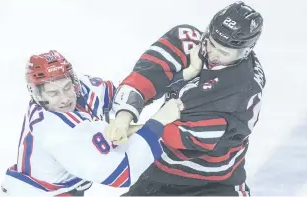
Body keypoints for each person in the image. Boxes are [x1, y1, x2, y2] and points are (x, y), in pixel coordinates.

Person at [105, 1, 266, 196]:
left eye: (224, 53)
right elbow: (145, 75)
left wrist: (135, 129)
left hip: (214, 186)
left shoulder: (243, 86)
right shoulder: (187, 40)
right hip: (158, 174)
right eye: (211, 43)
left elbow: (183, 135)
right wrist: (124, 116)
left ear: (245, 51)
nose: (213, 54)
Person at [0, 50, 182, 196]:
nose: (64, 98)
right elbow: (123, 173)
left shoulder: (82, 89)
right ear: (38, 95)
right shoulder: (53, 131)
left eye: (66, 88)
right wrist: (157, 123)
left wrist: (174, 77)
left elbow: (121, 95)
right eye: (53, 93)